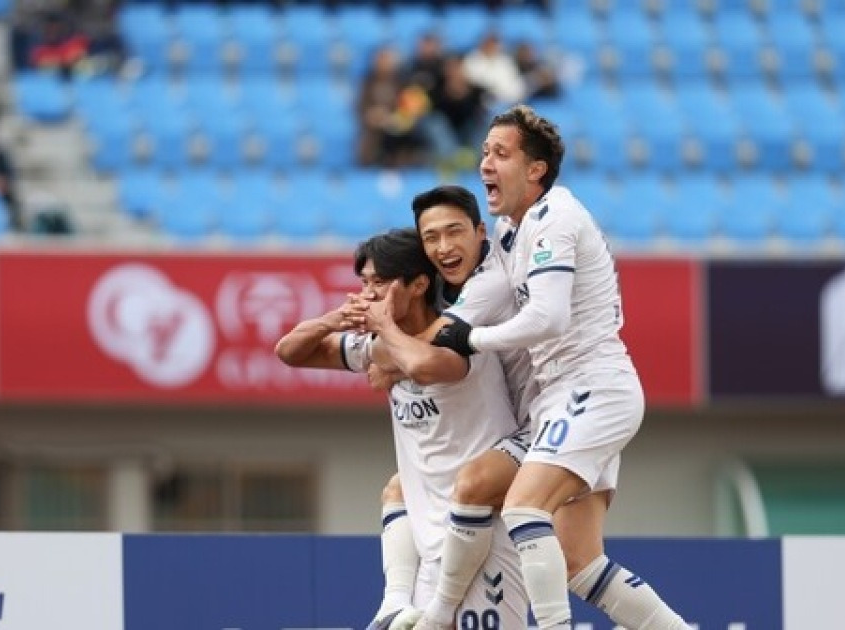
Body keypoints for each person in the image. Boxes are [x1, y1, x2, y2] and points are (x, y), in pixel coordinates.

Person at [430, 105, 690, 630]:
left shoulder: (558, 218)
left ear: (536, 170)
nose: (484, 164)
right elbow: (486, 295)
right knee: (579, 564)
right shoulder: (511, 230)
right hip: (561, 399)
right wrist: (430, 327)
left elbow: (547, 318)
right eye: (483, 152)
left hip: (593, 387)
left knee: (524, 507)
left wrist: (471, 339)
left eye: (500, 153)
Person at [274, 228, 529, 630]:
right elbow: (290, 352)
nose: (369, 293)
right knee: (398, 488)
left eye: (380, 282)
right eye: (364, 283)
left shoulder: (458, 337)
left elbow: (425, 365)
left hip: (484, 527)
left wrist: (385, 344)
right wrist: (334, 320)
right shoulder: (379, 346)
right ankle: (393, 603)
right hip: (432, 530)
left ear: (419, 284)